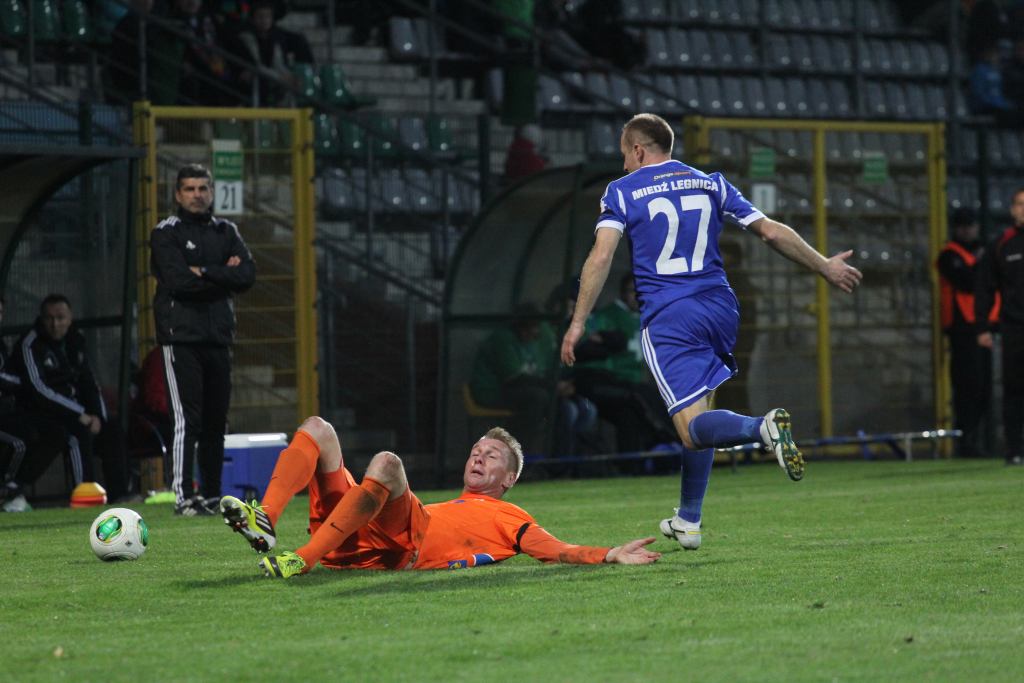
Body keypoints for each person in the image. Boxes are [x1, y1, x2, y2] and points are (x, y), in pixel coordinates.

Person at [560, 113, 862, 550]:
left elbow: (601, 257)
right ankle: (689, 518)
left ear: (639, 150)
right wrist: (824, 266)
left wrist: (578, 321)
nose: (623, 162)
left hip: (670, 315)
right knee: (698, 414)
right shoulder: (709, 182)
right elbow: (771, 232)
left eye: (625, 153)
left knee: (691, 428)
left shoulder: (622, 191)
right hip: (720, 308)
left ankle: (762, 429)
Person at [219, 416, 661, 578]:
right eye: (476, 450)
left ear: (509, 479)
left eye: (492, 456)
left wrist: (609, 555)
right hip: (355, 533)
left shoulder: (510, 516)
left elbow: (556, 551)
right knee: (317, 429)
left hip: (404, 544)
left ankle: (302, 558)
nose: (479, 456)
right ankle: (266, 517)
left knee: (388, 464)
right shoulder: (450, 503)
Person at [150, 164, 256, 515]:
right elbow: (178, 282)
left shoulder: (227, 230)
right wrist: (223, 274)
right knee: (186, 420)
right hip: (181, 338)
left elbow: (247, 275)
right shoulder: (166, 232)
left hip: (218, 338)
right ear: (178, 194)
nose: (197, 194)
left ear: (211, 192)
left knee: (215, 420)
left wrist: (206, 271)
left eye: (202, 188)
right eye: (189, 188)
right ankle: (183, 497)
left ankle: (211, 495)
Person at [10, 294, 130, 501]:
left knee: (113, 430)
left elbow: (90, 383)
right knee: (77, 434)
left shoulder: (76, 341)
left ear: (70, 318)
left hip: (79, 413)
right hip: (44, 412)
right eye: (49, 318)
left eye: (60, 318)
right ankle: (85, 497)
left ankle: (121, 496)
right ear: (41, 318)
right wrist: (80, 414)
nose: (55, 324)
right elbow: (39, 389)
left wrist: (98, 416)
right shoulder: (30, 344)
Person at [570, 273, 674, 455]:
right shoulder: (608, 316)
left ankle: (636, 462)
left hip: (628, 382)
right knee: (637, 398)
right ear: (622, 293)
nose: (637, 296)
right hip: (606, 381)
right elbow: (594, 348)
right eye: (632, 292)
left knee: (634, 410)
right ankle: (668, 439)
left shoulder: (644, 317)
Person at [937, 207, 999, 458]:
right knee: (967, 385)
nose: (966, 229)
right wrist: (983, 265)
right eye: (962, 225)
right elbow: (969, 281)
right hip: (962, 329)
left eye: (970, 224)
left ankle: (978, 439)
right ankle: (966, 440)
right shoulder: (949, 255)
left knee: (983, 386)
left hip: (984, 325)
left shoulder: (980, 252)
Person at [0, 297, 66, 512]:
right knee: (19, 441)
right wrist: (26, 383)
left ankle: (15, 489)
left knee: (54, 432)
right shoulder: (28, 343)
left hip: (7, 411)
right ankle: (8, 491)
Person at [976, 188, 1024, 465]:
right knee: (1014, 389)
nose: (1022, 209)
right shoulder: (1001, 244)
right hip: (1014, 327)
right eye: (1019, 204)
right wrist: (982, 327)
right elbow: (985, 288)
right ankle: (1014, 450)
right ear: (1011, 209)